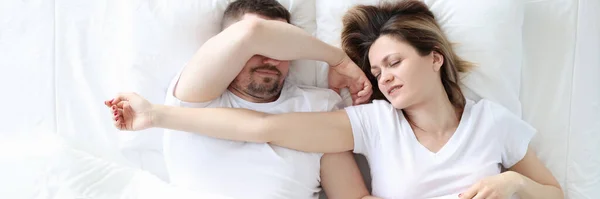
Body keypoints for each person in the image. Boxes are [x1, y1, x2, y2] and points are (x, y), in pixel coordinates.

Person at [106, 1, 564, 199]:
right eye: (377, 69)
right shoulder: (371, 123)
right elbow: (262, 122)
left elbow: (555, 193)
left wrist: (515, 186)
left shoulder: (494, 122)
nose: (383, 79)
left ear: (435, 60)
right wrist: (158, 115)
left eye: (394, 64)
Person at [104, 0, 378, 199]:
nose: (271, 58)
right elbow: (252, 32)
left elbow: (353, 196)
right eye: (261, 48)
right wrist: (337, 59)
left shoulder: (319, 106)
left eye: (282, 45)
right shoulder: (194, 96)